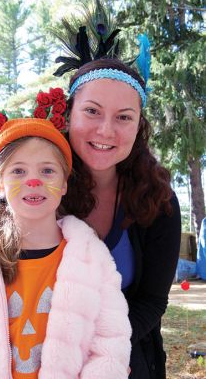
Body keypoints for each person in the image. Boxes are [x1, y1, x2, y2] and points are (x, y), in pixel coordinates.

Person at [0, 89, 132, 379]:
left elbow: (111, 344)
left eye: (47, 171)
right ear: (0, 184)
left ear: (65, 183)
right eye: (18, 171)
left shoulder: (92, 258)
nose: (33, 181)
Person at [54, 22, 182, 378]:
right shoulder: (38, 188)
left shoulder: (160, 202)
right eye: (92, 111)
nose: (106, 130)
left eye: (124, 117)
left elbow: (152, 302)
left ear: (139, 125)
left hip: (124, 359)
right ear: (69, 113)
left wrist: (102, 351)